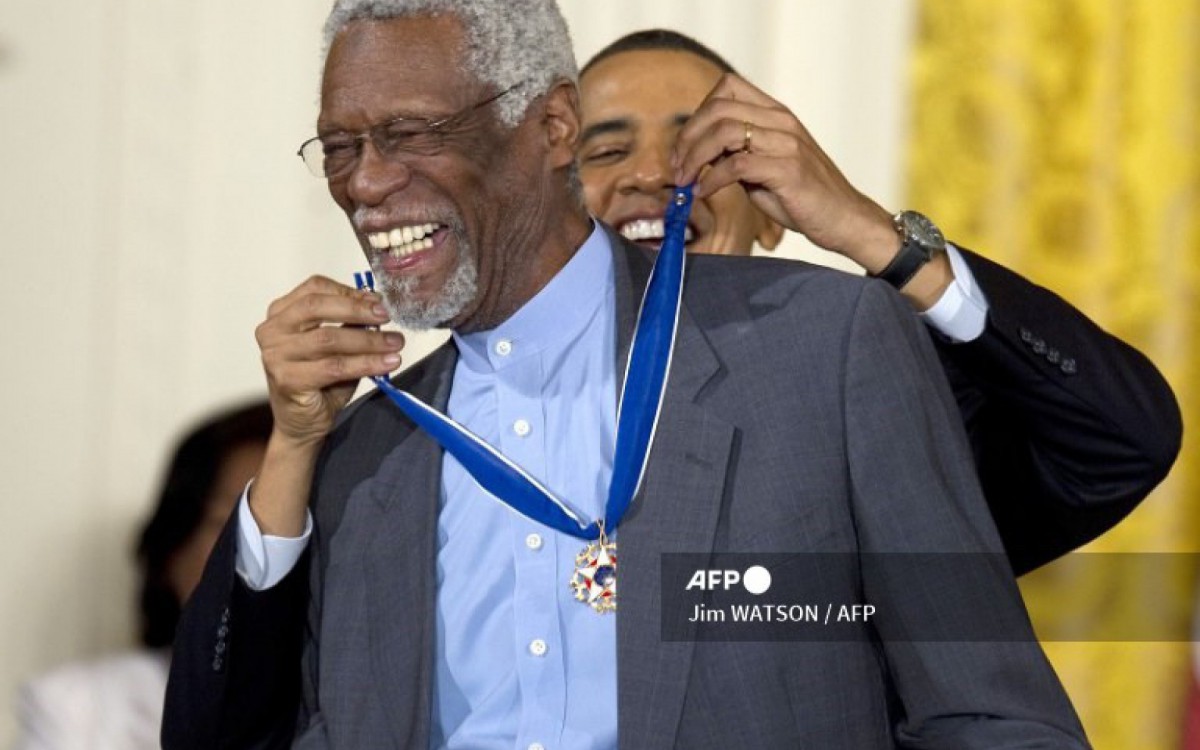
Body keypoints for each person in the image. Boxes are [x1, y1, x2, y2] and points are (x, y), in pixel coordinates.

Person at [164, 2, 1092, 747]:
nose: (364, 185)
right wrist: (292, 451)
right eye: (339, 148)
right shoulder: (365, 454)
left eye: (409, 133)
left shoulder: (825, 347)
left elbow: (990, 714)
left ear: (551, 123)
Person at [577, 30, 1182, 575]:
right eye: (605, 153)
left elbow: (1121, 442)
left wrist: (873, 234)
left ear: (768, 217)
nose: (654, 173)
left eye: (703, 148)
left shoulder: (875, 401)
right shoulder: (489, 395)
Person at [14, 400, 271, 750]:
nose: (267, 557)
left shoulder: (353, 708)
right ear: (171, 551)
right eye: (236, 525)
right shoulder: (78, 710)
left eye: (298, 529)